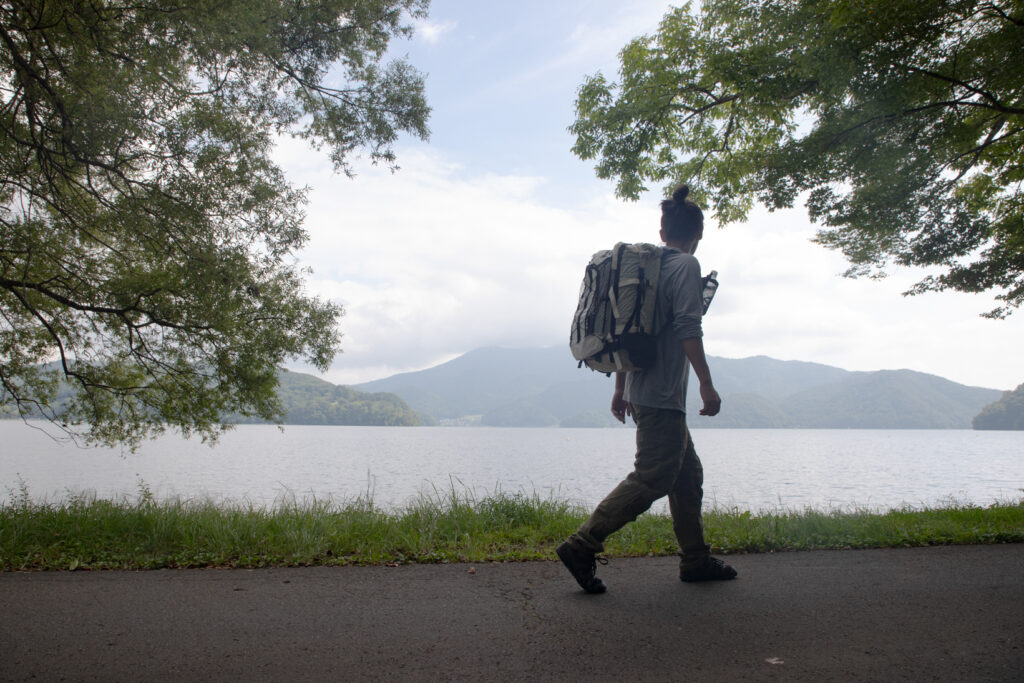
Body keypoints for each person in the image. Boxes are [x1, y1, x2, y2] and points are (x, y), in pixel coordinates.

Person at [556, 184, 737, 594]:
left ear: (662, 232)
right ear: (699, 234)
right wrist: (707, 386)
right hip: (662, 396)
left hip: (643, 389)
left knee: (687, 475)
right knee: (653, 476)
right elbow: (689, 328)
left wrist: (620, 388)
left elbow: (629, 333)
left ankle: (695, 559)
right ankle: (581, 545)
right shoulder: (685, 267)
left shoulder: (648, 269)